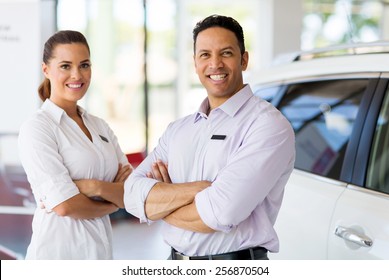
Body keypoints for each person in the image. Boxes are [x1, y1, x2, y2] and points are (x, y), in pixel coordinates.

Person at [123, 14, 295, 260]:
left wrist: (160, 202)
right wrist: (199, 189)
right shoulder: (178, 130)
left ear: (244, 60)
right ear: (195, 63)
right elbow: (131, 194)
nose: (215, 64)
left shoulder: (267, 125)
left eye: (226, 53)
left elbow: (219, 213)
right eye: (205, 55)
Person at [18, 30, 132, 260]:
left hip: (101, 254)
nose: (77, 74)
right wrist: (111, 204)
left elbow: (130, 190)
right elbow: (65, 206)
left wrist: (94, 187)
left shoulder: (100, 126)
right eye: (65, 66)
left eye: (84, 65)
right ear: (46, 70)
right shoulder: (38, 128)